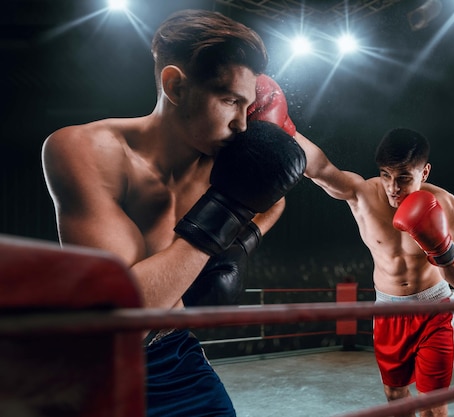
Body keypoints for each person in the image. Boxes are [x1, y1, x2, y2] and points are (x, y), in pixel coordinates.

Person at [41, 9, 305, 417]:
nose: (241, 123)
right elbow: (126, 313)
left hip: (177, 355)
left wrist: (237, 244)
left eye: (247, 105)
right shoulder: (87, 151)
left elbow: (276, 195)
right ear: (176, 86)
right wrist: (224, 217)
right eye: (229, 100)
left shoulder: (222, 163)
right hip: (97, 365)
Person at [254, 78, 454, 416]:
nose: (393, 187)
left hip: (435, 310)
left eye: (403, 177)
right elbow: (321, 170)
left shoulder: (446, 205)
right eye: (386, 175)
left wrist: (440, 247)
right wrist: (284, 127)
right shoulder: (363, 195)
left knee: (433, 404)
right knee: (395, 396)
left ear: (424, 171)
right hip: (388, 309)